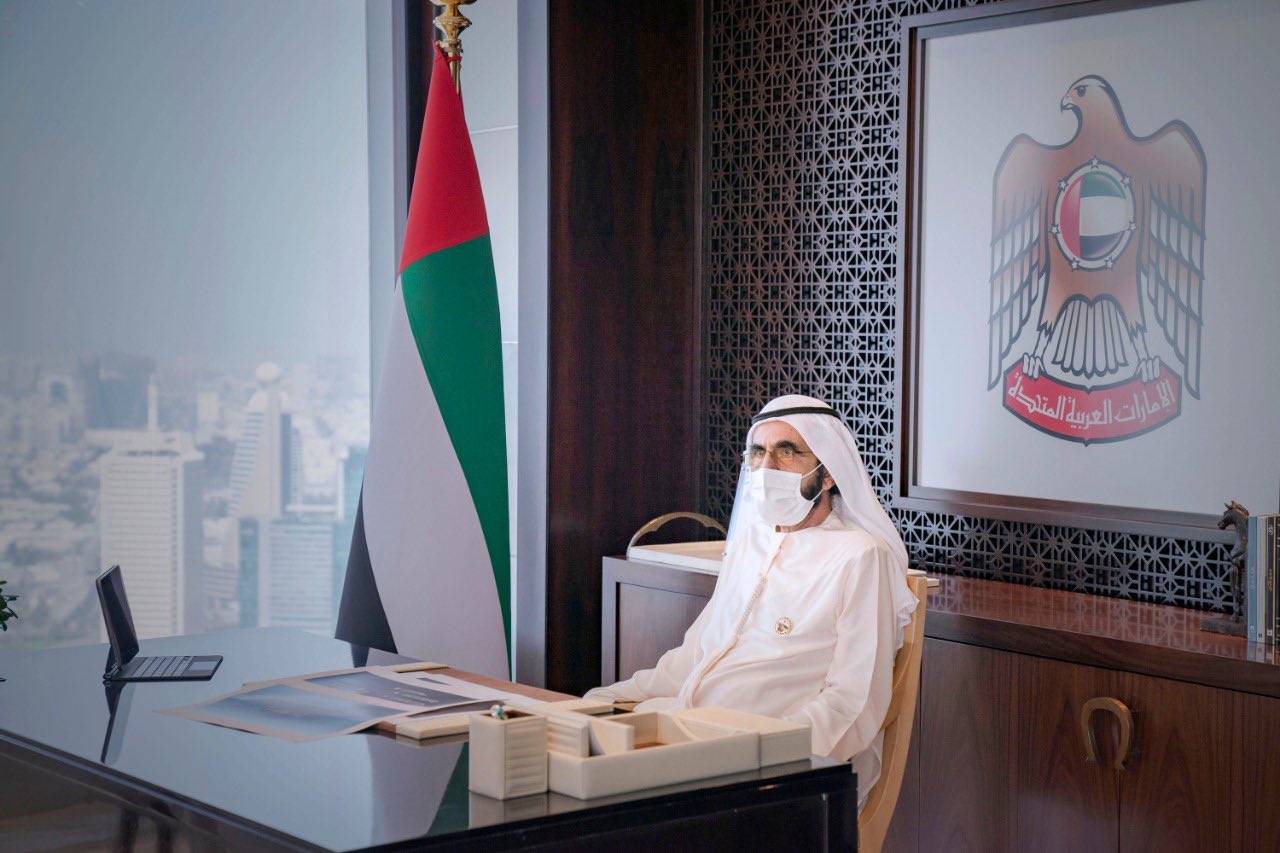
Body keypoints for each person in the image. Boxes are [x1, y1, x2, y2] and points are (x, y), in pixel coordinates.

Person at [585, 394, 918, 810]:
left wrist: (764, 757)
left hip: (768, 770)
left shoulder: (860, 555)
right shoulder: (751, 542)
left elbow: (853, 703)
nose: (767, 467)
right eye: (758, 452)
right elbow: (694, 658)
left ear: (828, 473)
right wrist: (603, 701)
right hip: (686, 734)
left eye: (787, 451)